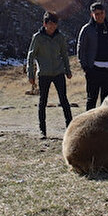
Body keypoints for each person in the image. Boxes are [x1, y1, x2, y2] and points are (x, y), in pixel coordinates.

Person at [26, 11, 73, 139]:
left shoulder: (60, 37)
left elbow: (64, 55)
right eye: (50, 24)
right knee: (43, 102)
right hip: (44, 74)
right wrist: (30, 74)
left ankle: (70, 129)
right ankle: (42, 130)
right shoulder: (38, 37)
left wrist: (68, 71)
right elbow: (31, 56)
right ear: (45, 24)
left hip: (59, 73)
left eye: (55, 24)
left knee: (64, 100)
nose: (53, 27)